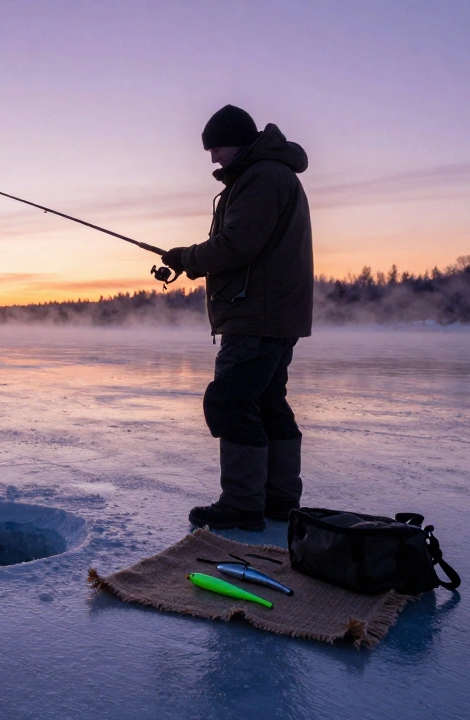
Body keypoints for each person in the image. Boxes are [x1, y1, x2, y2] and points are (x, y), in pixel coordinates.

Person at [159, 105, 313, 531]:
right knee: (266, 401)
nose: (213, 159)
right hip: (273, 312)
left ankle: (244, 504)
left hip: (256, 313)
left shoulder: (262, 176)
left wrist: (185, 257)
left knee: (231, 400)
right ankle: (279, 500)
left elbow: (237, 245)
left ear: (238, 140)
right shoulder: (273, 173)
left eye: (216, 148)